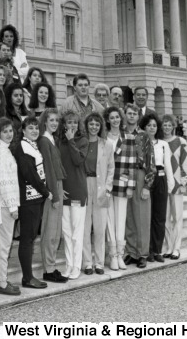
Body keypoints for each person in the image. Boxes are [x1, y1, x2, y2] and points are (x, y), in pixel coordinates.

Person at [13, 114, 51, 289]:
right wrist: (46, 192)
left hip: (36, 198)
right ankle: (27, 277)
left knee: (30, 237)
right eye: (30, 128)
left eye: (36, 127)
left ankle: (28, 276)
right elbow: (29, 173)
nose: (34, 130)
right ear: (23, 131)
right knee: (27, 238)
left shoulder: (32, 146)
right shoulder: (23, 147)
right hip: (28, 199)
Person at [0, 117, 21, 295]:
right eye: (5, 131)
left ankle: (1, 280)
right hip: (4, 206)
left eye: (11, 130)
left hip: (8, 205)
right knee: (2, 246)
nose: (9, 134)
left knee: (4, 245)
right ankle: (0, 282)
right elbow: (3, 181)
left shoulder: (6, 151)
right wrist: (13, 206)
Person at [104, 105, 136, 270]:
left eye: (117, 117)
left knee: (120, 219)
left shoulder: (128, 137)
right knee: (109, 220)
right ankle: (112, 255)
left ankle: (120, 254)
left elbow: (132, 163)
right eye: (112, 118)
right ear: (108, 120)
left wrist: (131, 185)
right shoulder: (104, 138)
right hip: (107, 183)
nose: (115, 120)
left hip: (122, 182)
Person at [123, 102, 156, 268]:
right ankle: (131, 252)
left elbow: (151, 162)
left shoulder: (143, 136)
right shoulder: (120, 134)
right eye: (129, 113)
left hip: (140, 174)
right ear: (125, 115)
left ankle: (142, 253)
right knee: (128, 216)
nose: (131, 116)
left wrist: (147, 186)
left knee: (142, 216)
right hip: (123, 175)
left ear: (138, 117)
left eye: (134, 114)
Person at [81, 112, 114, 275]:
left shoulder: (106, 144)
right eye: (91, 123)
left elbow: (111, 167)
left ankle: (99, 262)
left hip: (101, 187)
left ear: (100, 126)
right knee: (85, 226)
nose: (93, 127)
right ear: (86, 125)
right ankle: (87, 262)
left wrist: (108, 188)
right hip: (84, 186)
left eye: (97, 124)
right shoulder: (81, 143)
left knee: (100, 227)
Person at [37, 108, 67, 283]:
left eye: (56, 120)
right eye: (51, 120)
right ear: (45, 122)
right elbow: (48, 169)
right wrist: (54, 194)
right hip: (51, 189)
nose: (54, 123)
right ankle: (48, 268)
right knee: (50, 229)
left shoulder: (52, 139)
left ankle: (52, 265)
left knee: (56, 230)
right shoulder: (44, 140)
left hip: (57, 185)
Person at [57, 111, 88, 279]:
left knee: (77, 231)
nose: (72, 125)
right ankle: (69, 264)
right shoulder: (59, 142)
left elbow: (78, 160)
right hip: (64, 190)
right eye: (69, 122)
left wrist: (71, 141)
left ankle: (77, 265)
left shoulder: (82, 141)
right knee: (67, 231)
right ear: (64, 125)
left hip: (78, 190)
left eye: (75, 122)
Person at [140, 114, 174, 263]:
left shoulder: (163, 144)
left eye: (154, 125)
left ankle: (157, 250)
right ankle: (146, 250)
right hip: (146, 179)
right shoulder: (141, 143)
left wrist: (170, 184)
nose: (152, 128)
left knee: (159, 216)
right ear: (144, 127)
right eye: (149, 125)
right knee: (147, 216)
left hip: (160, 179)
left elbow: (168, 165)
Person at [161, 113, 187, 260]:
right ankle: (168, 246)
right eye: (164, 124)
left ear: (173, 126)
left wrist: (183, 182)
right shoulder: (159, 142)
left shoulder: (181, 141)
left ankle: (177, 248)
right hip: (162, 184)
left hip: (177, 184)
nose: (166, 127)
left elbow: (185, 163)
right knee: (165, 217)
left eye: (169, 125)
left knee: (177, 217)